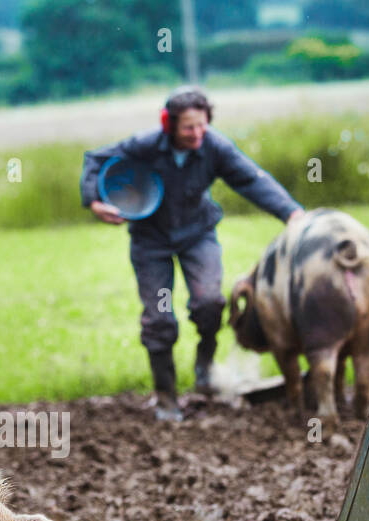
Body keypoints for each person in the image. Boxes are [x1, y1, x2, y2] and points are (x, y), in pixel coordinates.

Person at [80, 86, 304, 421]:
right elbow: (95, 159)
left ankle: (204, 365)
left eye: (202, 125)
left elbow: (251, 180)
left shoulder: (214, 146)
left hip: (197, 235)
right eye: (188, 128)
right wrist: (94, 201)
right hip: (150, 240)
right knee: (159, 318)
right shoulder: (145, 145)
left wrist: (291, 213)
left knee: (209, 303)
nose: (197, 134)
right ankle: (167, 397)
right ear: (169, 124)